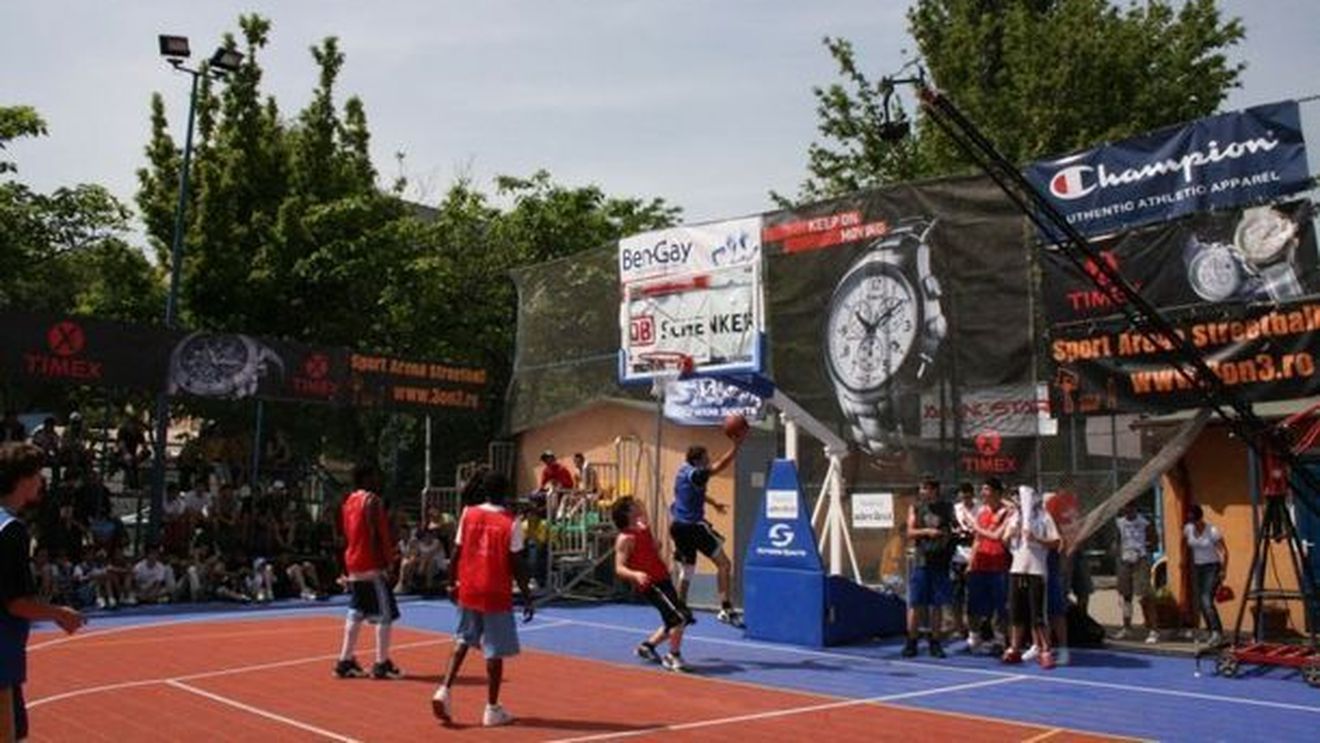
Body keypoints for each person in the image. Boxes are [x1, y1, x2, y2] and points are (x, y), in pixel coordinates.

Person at [432, 470, 534, 728]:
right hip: (495, 591)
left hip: (469, 587)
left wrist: (450, 582)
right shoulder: (511, 522)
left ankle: (444, 690)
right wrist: (527, 594)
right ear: (505, 493)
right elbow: (516, 563)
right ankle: (491, 708)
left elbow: (456, 552)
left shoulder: (469, 514)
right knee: (494, 652)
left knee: (462, 641)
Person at [2, 442, 86, 740]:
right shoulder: (12, 531)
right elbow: (14, 602)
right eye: (38, 473)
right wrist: (59, 613)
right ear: (23, 479)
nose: (42, 480)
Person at [333, 462, 403, 681]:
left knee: (356, 611)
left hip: (353, 561)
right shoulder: (372, 501)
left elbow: (345, 535)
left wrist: (345, 565)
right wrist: (386, 562)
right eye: (373, 476)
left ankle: (345, 661)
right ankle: (382, 663)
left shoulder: (348, 502)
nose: (377, 481)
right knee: (386, 614)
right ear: (364, 478)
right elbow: (377, 534)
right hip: (370, 563)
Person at [612, 496, 695, 673]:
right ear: (627, 512)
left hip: (663, 578)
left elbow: (652, 548)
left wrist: (656, 546)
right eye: (634, 505)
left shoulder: (644, 527)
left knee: (677, 617)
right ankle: (673, 655)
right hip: (650, 583)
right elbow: (619, 568)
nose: (639, 505)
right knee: (679, 617)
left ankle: (647, 646)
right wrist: (635, 574)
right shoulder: (625, 538)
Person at [670, 436, 745, 627]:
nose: (709, 459)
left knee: (687, 570)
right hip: (692, 527)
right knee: (724, 565)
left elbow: (694, 493)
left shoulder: (683, 471)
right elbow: (720, 466)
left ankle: (680, 608)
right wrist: (735, 446)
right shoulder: (697, 473)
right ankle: (726, 609)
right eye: (706, 457)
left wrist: (714, 503)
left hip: (678, 526)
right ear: (698, 460)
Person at [1003, 486, 1060, 669]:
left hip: (1036, 570)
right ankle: (1015, 648)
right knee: (1016, 612)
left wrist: (1036, 539)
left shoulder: (1044, 517)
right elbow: (1004, 541)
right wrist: (1011, 534)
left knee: (1037, 614)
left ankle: (1045, 650)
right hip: (1017, 569)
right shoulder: (1015, 517)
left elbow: (1056, 542)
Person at [903, 476, 954, 658]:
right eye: (921, 488)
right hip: (921, 561)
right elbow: (909, 532)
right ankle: (911, 641)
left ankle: (935, 642)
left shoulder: (947, 508)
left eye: (925, 488)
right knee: (916, 603)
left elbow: (952, 529)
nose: (922, 492)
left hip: (940, 561)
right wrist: (926, 531)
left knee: (936, 605)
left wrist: (945, 536)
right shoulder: (916, 508)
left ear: (934, 490)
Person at [966, 478, 1012, 654]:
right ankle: (974, 638)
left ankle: (1000, 640)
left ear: (996, 492)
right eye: (982, 490)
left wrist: (975, 527)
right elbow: (977, 540)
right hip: (980, 565)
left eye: (986, 490)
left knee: (1001, 606)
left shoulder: (1007, 512)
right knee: (974, 604)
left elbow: (997, 536)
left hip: (999, 565)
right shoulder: (982, 512)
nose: (983, 493)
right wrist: (971, 563)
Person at [1043, 487, 1082, 666]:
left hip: (1052, 571)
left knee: (1057, 611)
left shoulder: (1057, 529)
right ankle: (1045, 648)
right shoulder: (1038, 521)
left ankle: (1063, 649)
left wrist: (1063, 563)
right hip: (1037, 571)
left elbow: (1060, 546)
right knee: (1041, 613)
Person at [1183, 504, 1228, 646]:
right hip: (1198, 567)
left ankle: (1217, 632)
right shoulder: (1188, 529)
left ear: (1200, 518)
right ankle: (1210, 632)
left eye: (1195, 521)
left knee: (1206, 599)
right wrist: (1183, 561)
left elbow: (1224, 551)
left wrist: (1223, 570)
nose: (1194, 524)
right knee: (1201, 601)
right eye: (1191, 521)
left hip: (1212, 567)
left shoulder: (1212, 531)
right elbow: (1184, 544)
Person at [1115, 501, 1159, 643]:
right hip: (1125, 560)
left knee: (1145, 595)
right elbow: (1117, 541)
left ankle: (1153, 629)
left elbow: (1154, 541)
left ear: (1135, 508)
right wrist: (1118, 552)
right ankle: (1127, 627)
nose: (1128, 510)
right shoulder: (1119, 523)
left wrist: (1145, 549)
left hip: (1140, 559)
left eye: (1131, 508)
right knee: (1125, 595)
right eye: (1126, 508)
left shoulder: (1145, 523)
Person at [950, 482, 978, 639]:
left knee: (973, 594)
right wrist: (957, 531)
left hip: (974, 554)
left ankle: (974, 628)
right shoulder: (955, 509)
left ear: (972, 495)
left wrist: (971, 531)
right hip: (957, 555)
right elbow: (951, 527)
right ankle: (959, 626)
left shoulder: (979, 509)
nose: (965, 499)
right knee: (956, 594)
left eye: (968, 496)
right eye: (962, 496)